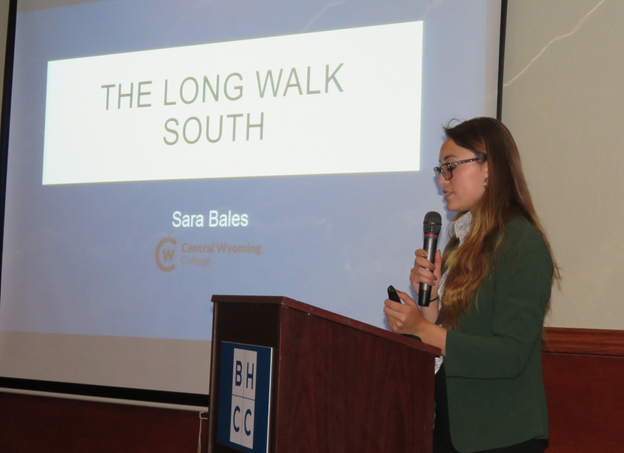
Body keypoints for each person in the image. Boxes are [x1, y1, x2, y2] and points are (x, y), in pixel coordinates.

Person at [383, 117, 556, 453]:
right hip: (449, 425)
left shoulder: (521, 242)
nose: (441, 180)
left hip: (499, 434)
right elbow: (450, 334)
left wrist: (423, 329)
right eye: (440, 169)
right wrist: (429, 302)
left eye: (451, 167)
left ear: (489, 167)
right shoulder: (459, 243)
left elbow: (510, 355)